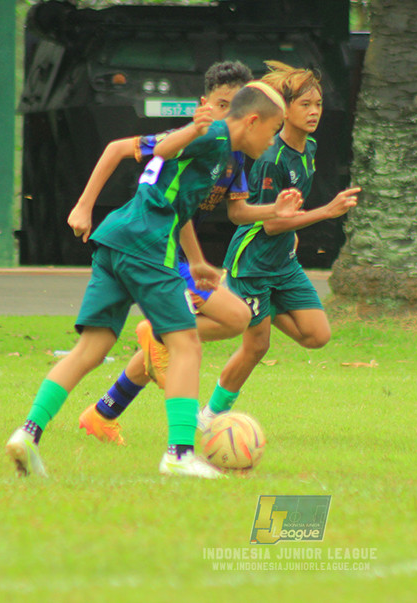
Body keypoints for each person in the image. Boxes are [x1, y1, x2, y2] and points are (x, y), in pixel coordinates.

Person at [5, 81, 291, 479]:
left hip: (117, 238)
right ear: (254, 120)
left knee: (92, 347)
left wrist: (199, 262)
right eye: (274, 131)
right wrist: (193, 128)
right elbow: (160, 149)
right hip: (147, 246)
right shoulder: (214, 135)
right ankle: (178, 453)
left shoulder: (225, 153)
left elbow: (177, 201)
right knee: (187, 344)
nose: (274, 141)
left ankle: (28, 432)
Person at [76, 64, 305, 445]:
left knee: (189, 335)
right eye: (221, 104)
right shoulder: (195, 141)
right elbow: (164, 198)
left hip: (169, 252)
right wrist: (84, 207)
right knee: (216, 323)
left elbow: (234, 212)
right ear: (206, 105)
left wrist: (273, 213)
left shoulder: (232, 158)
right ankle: (177, 447)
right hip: (149, 248)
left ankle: (102, 413)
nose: (227, 114)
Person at [199, 61, 361, 429]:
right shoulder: (271, 158)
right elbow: (270, 223)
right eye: (305, 104)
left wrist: (297, 227)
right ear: (283, 111)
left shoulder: (310, 147)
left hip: (283, 264)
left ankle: (256, 312)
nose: (314, 111)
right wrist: (326, 212)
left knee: (317, 335)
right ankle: (209, 417)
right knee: (257, 347)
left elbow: (288, 213)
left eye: (318, 104)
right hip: (253, 262)